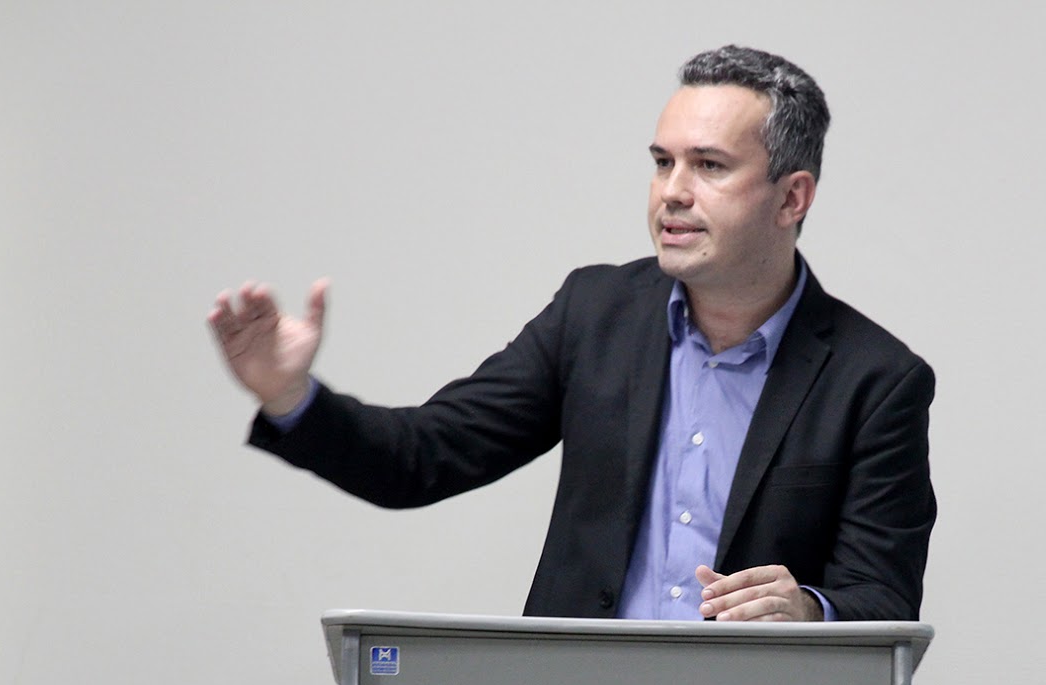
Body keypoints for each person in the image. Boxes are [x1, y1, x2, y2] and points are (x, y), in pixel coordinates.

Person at [208, 45, 935, 623]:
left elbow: (884, 597)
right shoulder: (595, 314)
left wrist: (809, 610)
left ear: (792, 197)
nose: (672, 192)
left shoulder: (874, 380)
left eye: (709, 166)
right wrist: (291, 396)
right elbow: (421, 457)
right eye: (662, 163)